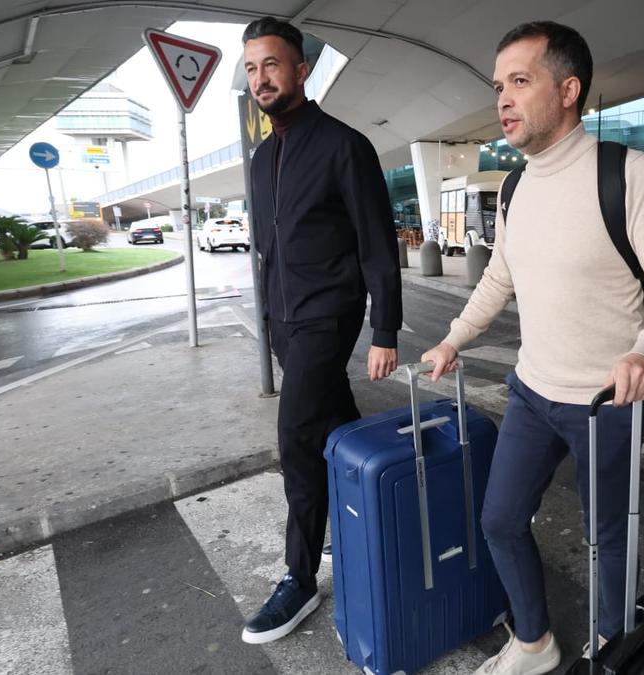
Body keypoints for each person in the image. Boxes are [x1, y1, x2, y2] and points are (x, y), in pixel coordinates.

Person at [420, 21, 644, 675]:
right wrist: (453, 339)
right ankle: (534, 641)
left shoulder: (627, 175)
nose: (504, 99)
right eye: (499, 86)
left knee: (607, 540)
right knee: (498, 519)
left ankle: (612, 648)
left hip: (606, 400)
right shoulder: (515, 185)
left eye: (520, 81)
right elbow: (502, 275)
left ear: (569, 89)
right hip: (532, 390)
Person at [238, 17, 402, 645]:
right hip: (285, 322)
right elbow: (269, 247)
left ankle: (299, 579)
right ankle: (377, 520)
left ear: (301, 70)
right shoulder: (261, 156)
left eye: (273, 65)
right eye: (252, 69)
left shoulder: (343, 145)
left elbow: (376, 244)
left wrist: (384, 328)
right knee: (337, 429)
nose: (262, 79)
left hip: (328, 318)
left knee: (296, 443)